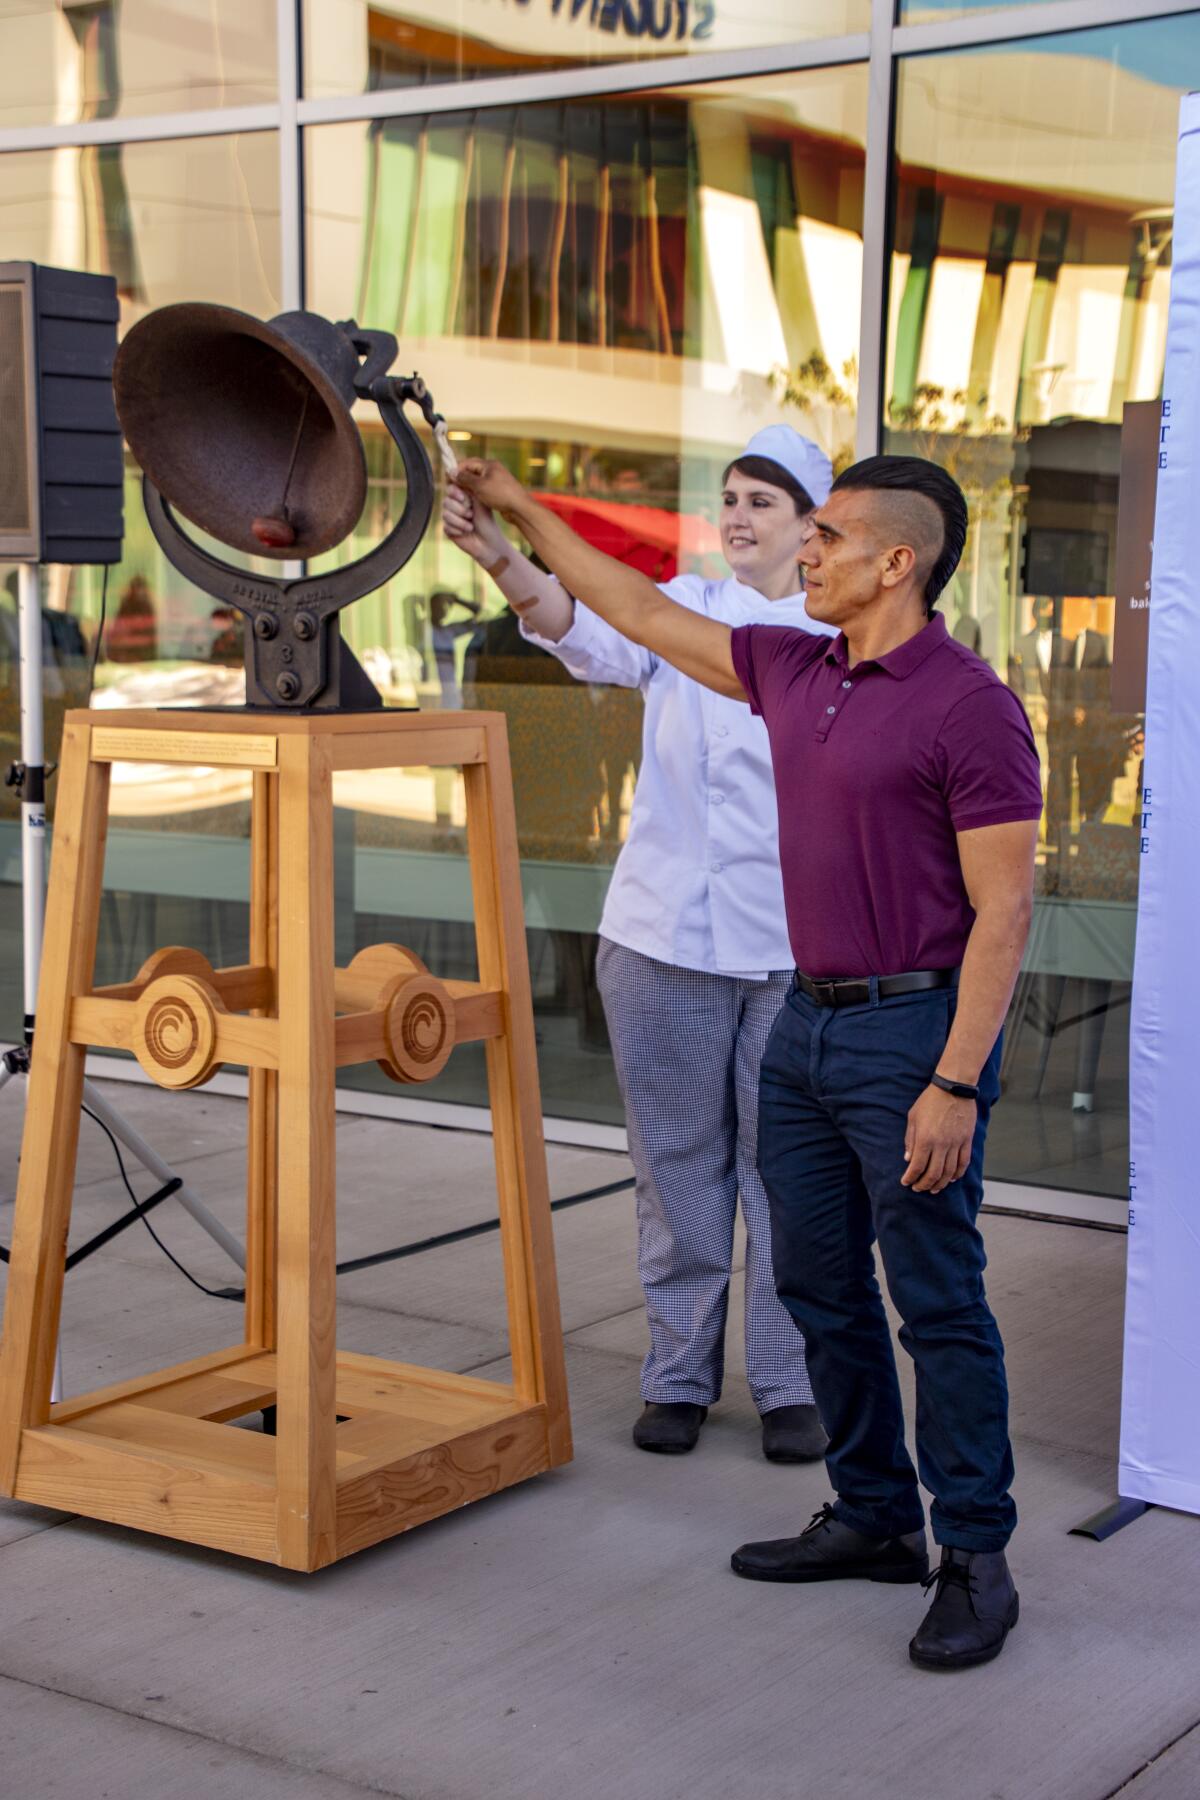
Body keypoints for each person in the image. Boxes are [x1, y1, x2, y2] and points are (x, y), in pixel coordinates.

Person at [453, 450, 1042, 1672]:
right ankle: (877, 1516)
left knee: (936, 1304)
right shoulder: (793, 668)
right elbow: (641, 612)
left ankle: (975, 1555)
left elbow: (1006, 913)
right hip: (807, 1025)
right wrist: (520, 513)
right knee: (820, 1286)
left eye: (827, 535)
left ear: (898, 561)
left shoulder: (967, 701)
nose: (804, 553)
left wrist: (953, 1083)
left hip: (907, 1038)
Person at [444, 426, 836, 1464]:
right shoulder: (689, 611)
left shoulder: (843, 636)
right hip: (661, 934)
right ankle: (678, 1376)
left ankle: (791, 1381)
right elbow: (577, 622)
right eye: (734, 498)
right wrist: (497, 554)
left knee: (786, 1176)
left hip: (797, 954)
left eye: (766, 501)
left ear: (812, 528)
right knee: (675, 1170)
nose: (741, 516)